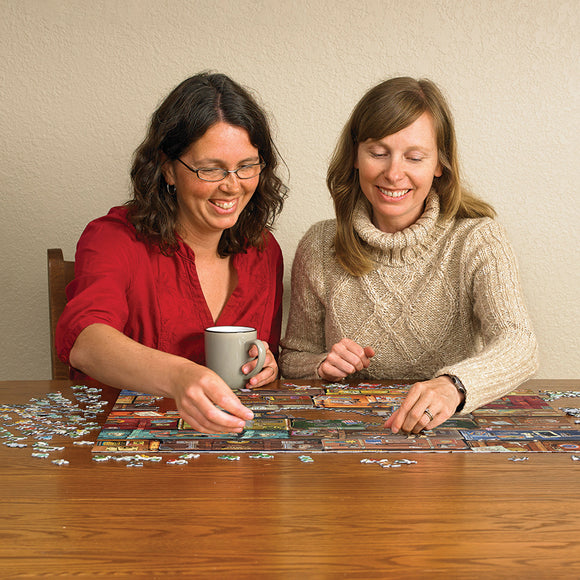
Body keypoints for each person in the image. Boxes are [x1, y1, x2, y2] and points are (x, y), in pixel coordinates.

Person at [280, 76, 538, 434]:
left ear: (439, 164)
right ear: (356, 156)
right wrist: (322, 365)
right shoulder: (319, 244)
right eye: (378, 153)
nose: (393, 173)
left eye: (414, 157)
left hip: (447, 434)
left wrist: (453, 386)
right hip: (349, 438)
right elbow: (292, 359)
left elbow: (519, 343)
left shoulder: (478, 238)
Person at [56, 72, 287, 434]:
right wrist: (181, 377)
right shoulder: (113, 239)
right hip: (126, 456)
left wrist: (268, 364)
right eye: (209, 169)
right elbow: (86, 342)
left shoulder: (264, 251)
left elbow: (263, 360)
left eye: (246, 166)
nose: (232, 185)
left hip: (233, 456)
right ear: (167, 168)